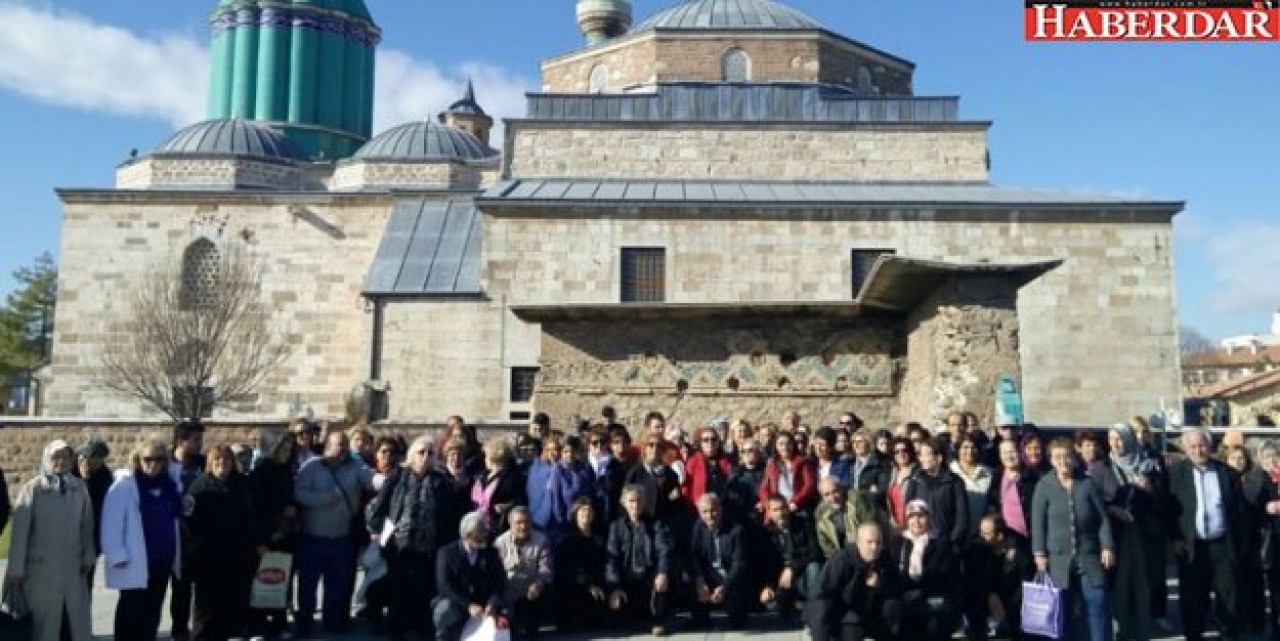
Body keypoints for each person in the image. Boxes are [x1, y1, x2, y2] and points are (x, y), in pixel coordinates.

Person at [5, 440, 96, 641]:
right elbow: (20, 533)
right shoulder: (33, 489)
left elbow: (87, 525)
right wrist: (15, 568)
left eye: (66, 457)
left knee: (72, 623)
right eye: (56, 457)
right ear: (47, 458)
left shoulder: (79, 488)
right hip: (40, 571)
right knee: (43, 625)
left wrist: (89, 554)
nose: (61, 462)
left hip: (72, 569)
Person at [367, 435, 450, 641]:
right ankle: (396, 628)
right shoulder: (398, 476)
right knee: (397, 588)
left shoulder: (440, 481)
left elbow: (448, 515)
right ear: (412, 455)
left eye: (430, 453)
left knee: (423, 589)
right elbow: (381, 506)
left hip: (428, 545)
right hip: (399, 544)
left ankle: (421, 626)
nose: (426, 457)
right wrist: (377, 530)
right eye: (421, 452)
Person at [1030, 437, 1114, 641]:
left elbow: (1102, 518)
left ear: (1074, 458)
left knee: (1098, 603)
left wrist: (1107, 546)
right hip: (1058, 559)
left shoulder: (1087, 484)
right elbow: (1037, 522)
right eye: (1057, 457)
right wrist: (1039, 553)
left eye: (1066, 456)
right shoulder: (1044, 485)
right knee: (1061, 612)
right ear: (1051, 460)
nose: (1063, 461)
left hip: (1089, 555)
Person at [293, 431, 374, 635]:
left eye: (346, 445)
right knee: (307, 585)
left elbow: (372, 479)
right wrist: (323, 499)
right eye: (339, 445)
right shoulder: (311, 467)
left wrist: (390, 478)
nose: (344, 448)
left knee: (337, 585)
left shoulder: (355, 466)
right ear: (328, 446)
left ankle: (333, 621)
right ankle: (304, 622)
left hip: (341, 539)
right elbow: (298, 493)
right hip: (312, 538)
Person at [1168, 428, 1245, 641]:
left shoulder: (1226, 473)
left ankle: (1228, 635)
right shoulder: (1176, 474)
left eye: (1202, 445)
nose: (1198, 450)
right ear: (1186, 448)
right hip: (1192, 547)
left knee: (1228, 598)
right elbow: (1168, 510)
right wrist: (1175, 538)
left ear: (1209, 446)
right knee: (1193, 601)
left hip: (1222, 546)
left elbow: (1238, 511)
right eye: (1193, 446)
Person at [103, 436, 184, 641]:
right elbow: (111, 523)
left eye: (158, 459)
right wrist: (116, 554)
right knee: (131, 611)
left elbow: (176, 514)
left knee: (153, 610)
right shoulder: (125, 486)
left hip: (162, 558)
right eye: (148, 459)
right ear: (138, 460)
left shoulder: (171, 486)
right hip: (135, 559)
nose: (153, 464)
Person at [185, 444, 256, 641]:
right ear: (210, 462)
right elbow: (189, 519)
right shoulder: (199, 485)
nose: (222, 464)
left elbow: (251, 515)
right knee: (206, 602)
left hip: (238, 552)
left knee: (233, 598)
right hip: (208, 554)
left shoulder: (243, 484)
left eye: (226, 460)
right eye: (217, 460)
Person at [1100, 424, 1161, 641]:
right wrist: (1110, 509)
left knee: (1142, 586)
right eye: (1111, 438)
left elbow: (1165, 501)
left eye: (1120, 438)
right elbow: (1095, 501)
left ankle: (1143, 633)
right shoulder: (1103, 467)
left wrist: (1150, 490)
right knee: (1121, 588)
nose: (1116, 443)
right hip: (1116, 535)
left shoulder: (1148, 465)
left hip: (1143, 534)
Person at [804, 522, 904, 641]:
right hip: (845, 614)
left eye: (878, 542)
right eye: (869, 542)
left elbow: (897, 588)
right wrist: (821, 636)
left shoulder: (885, 559)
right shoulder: (841, 562)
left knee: (894, 607)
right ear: (858, 542)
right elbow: (822, 598)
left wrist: (881, 584)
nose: (874, 547)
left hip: (873, 613)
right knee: (851, 628)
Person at [246, 429, 296, 638]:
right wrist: (263, 535)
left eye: (289, 449)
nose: (286, 452)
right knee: (261, 581)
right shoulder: (260, 472)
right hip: (266, 534)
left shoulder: (285, 470)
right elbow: (255, 508)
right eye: (282, 448)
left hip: (284, 533)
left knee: (281, 580)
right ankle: (257, 625)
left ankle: (278, 622)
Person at [606, 484, 674, 635]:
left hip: (648, 577)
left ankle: (658, 621)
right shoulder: (616, 527)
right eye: (631, 501)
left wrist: (662, 572)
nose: (635, 505)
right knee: (619, 615)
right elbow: (612, 559)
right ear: (623, 503)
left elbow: (663, 550)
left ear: (643, 503)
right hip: (626, 579)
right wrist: (614, 587)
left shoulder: (655, 524)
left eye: (638, 501)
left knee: (661, 582)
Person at [433, 511, 508, 641]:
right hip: (458, 601)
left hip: (484, 602)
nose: (485, 536)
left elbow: (499, 580)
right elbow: (444, 585)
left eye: (485, 532)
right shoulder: (447, 553)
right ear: (468, 535)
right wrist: (468, 605)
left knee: (506, 612)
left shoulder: (491, 552)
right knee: (445, 610)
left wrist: (493, 602)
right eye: (481, 534)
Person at [894, 500, 960, 641]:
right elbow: (892, 573)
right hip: (904, 598)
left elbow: (945, 577)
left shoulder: (941, 544)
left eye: (921, 516)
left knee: (933, 626)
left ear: (929, 518)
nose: (917, 521)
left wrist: (920, 592)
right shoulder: (898, 543)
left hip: (932, 598)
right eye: (912, 517)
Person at [689, 493, 752, 629]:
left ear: (720, 509)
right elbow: (694, 556)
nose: (709, 516)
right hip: (708, 577)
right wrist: (700, 581)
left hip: (729, 578)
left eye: (713, 510)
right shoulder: (698, 527)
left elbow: (739, 564)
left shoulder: (736, 530)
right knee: (688, 577)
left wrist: (724, 586)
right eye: (704, 512)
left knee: (738, 623)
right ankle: (700, 615)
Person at [1225, 443, 1268, 635]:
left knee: (1254, 580)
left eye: (1241, 458)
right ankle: (1237, 620)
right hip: (1229, 539)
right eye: (1234, 458)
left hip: (1252, 537)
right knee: (1234, 582)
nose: (1238, 462)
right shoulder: (1222, 479)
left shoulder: (1255, 478)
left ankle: (1256, 619)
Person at [759, 494, 821, 626]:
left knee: (815, 567)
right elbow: (763, 564)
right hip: (780, 579)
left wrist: (791, 568)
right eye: (775, 510)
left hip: (803, 575)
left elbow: (815, 553)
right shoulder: (764, 533)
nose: (780, 513)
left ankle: (815, 610)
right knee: (772, 606)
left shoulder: (804, 524)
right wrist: (767, 586)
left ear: (788, 508)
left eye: (783, 508)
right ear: (769, 512)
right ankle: (795, 604)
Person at [170, 421, 206, 641]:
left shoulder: (202, 464)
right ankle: (179, 629)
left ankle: (200, 629)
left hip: (199, 534)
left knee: (200, 587)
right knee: (180, 589)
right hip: (173, 534)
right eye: (196, 440)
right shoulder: (164, 463)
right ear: (181, 440)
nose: (200, 445)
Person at [969, 513, 1031, 640]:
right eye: (980, 531)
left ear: (999, 535)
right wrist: (991, 595)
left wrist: (1009, 605)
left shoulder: (1019, 548)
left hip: (1015, 598)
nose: (981, 536)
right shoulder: (978, 547)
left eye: (986, 533)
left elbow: (1024, 582)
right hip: (989, 595)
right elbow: (975, 578)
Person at [495, 507, 553, 639]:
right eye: (519, 523)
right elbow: (495, 573)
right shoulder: (500, 543)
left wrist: (538, 584)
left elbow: (546, 568)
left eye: (526, 522)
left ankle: (533, 628)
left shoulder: (542, 540)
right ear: (510, 524)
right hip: (508, 590)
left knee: (546, 589)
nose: (523, 526)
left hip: (531, 588)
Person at [553, 498, 608, 632]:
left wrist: (598, 584)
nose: (586, 514)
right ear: (575, 514)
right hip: (572, 583)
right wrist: (588, 585)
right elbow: (567, 568)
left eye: (589, 511)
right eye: (582, 511)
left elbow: (603, 564)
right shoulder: (565, 538)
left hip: (595, 582)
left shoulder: (599, 538)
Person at [905, 437, 970, 551]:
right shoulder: (915, 480)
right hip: (920, 543)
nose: (922, 459)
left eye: (927, 455)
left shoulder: (954, 482)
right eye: (921, 455)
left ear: (939, 457)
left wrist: (952, 541)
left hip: (946, 542)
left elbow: (962, 517)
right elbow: (908, 511)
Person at [75, 438, 113, 590]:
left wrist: (87, 480)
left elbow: (92, 503)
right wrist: (84, 478)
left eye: (101, 459)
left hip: (92, 534)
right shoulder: (71, 472)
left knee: (85, 583)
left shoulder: (104, 475)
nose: (98, 463)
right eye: (94, 459)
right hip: (70, 534)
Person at [814, 476, 882, 560]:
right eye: (827, 494)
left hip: (865, 551)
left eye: (835, 491)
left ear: (841, 489)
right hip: (841, 556)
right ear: (822, 497)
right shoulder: (820, 512)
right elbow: (825, 543)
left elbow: (871, 529)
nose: (832, 498)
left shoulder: (856, 500)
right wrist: (837, 559)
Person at [472, 437, 525, 539]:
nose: (484, 459)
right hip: (479, 524)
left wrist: (506, 506)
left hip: (500, 527)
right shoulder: (483, 475)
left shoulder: (511, 477)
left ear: (494, 457)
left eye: (486, 456)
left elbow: (520, 499)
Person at [622, 434, 682, 524]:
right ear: (645, 449)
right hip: (640, 524)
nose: (655, 449)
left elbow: (675, 500)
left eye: (659, 446)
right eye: (651, 445)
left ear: (663, 450)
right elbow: (625, 502)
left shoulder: (670, 474)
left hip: (663, 524)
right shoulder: (635, 473)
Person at [760, 430, 818, 515]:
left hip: (798, 507)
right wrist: (767, 503)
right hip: (777, 508)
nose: (785, 447)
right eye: (781, 444)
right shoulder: (772, 464)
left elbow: (809, 485)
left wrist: (796, 501)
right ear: (776, 446)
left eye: (788, 443)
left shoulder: (803, 462)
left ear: (793, 445)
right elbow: (764, 488)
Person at [683, 426, 733, 510]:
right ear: (700, 443)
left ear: (718, 442)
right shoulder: (693, 462)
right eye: (705, 440)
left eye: (713, 439)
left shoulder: (726, 461)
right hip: (700, 510)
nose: (710, 443)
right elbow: (686, 488)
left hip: (723, 508)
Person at [880, 437, 916, 531]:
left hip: (913, 525)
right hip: (895, 526)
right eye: (897, 451)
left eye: (905, 450)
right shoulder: (892, 473)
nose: (901, 454)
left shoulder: (917, 473)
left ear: (910, 452)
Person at [725, 438, 766, 517]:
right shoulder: (735, 474)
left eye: (750, 450)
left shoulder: (766, 471)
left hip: (762, 514)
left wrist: (764, 502)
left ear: (758, 452)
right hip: (741, 515)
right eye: (743, 451)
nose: (746, 453)